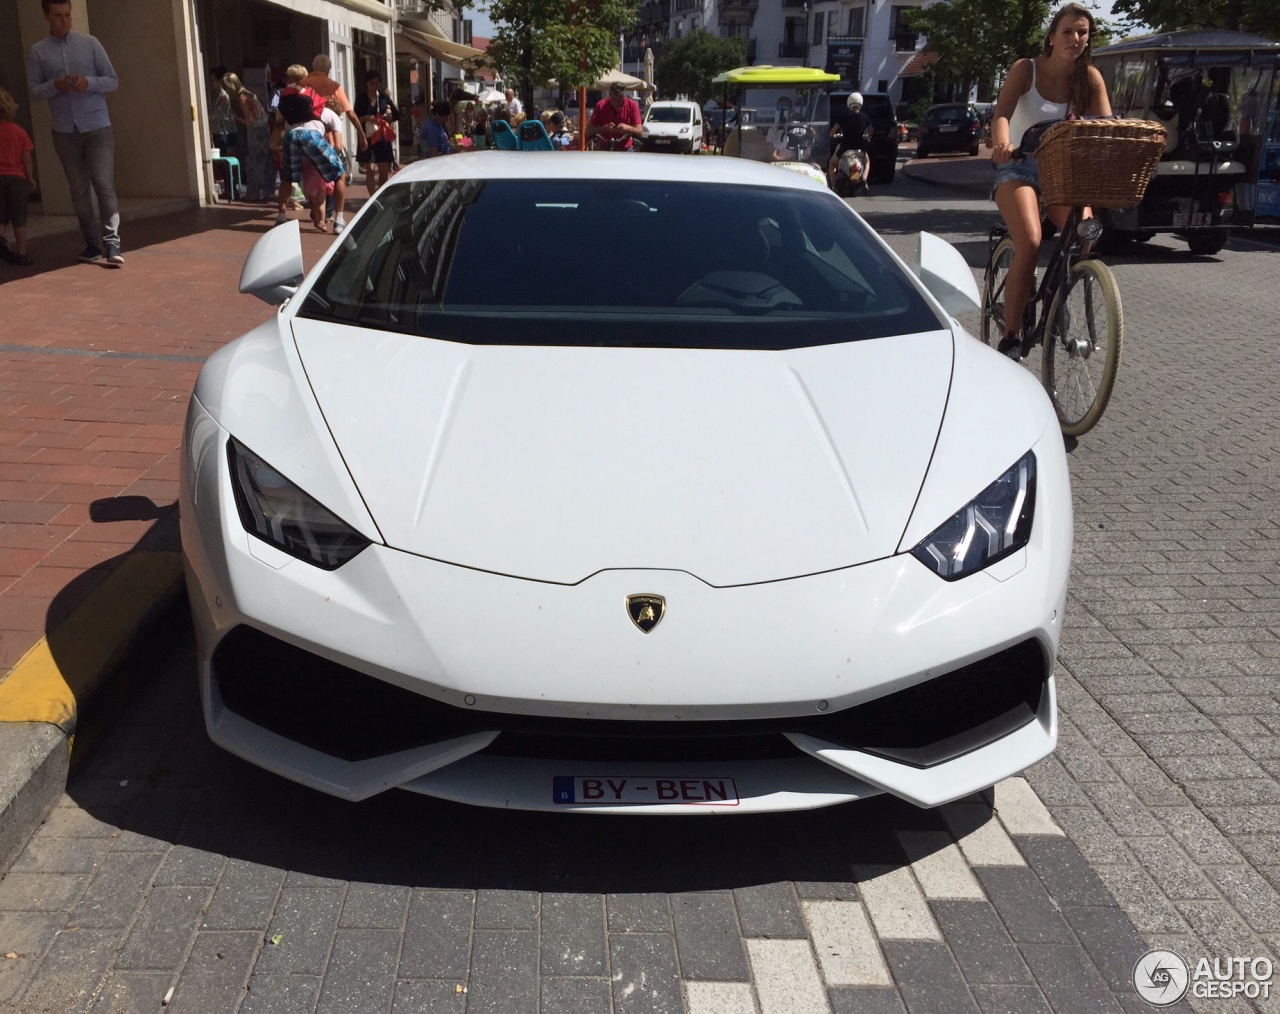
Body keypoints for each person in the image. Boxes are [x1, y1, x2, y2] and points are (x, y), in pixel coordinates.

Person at [989, 2, 1111, 360]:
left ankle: (1056, 300)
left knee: (1087, 232)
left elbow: (1106, 125)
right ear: (1052, 37)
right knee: (1030, 239)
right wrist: (1001, 143)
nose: (1076, 38)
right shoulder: (1026, 69)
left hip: (1061, 172)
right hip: (1018, 166)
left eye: (1083, 32)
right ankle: (1011, 335)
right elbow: (1002, 114)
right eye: (1069, 32)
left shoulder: (1089, 78)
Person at [26, 0, 122, 266]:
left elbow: (113, 80)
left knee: (103, 184)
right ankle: (92, 244)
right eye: (57, 16)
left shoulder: (90, 43)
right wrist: (54, 85)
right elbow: (33, 90)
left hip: (97, 126)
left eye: (67, 15)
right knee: (79, 189)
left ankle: (112, 244)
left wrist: (87, 83)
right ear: (47, 16)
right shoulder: (38, 52)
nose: (64, 20)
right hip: (65, 130)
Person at [278, 92, 347, 234]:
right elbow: (338, 146)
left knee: (286, 177)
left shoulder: (302, 111)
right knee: (340, 174)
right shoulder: (332, 115)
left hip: (290, 136)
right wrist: (329, 160)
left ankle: (281, 216)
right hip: (311, 136)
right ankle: (339, 220)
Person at [301, 55, 368, 160]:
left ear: (314, 67)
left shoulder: (302, 84)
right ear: (329, 69)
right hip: (328, 137)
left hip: (304, 133)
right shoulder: (333, 86)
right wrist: (361, 134)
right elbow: (350, 113)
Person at [223, 72, 273, 202]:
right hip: (265, 127)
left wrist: (235, 116)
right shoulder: (251, 94)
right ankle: (265, 191)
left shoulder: (242, 98)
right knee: (264, 160)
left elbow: (249, 121)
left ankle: (254, 193)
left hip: (256, 130)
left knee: (253, 161)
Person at [0, 89, 36, 267]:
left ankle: (1, 244)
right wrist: (30, 178)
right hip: (16, 177)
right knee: (19, 217)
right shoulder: (19, 131)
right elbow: (26, 159)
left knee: (1, 216)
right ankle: (22, 253)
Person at [355, 70, 398, 196]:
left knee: (384, 170)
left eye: (377, 84)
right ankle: (372, 198)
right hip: (368, 135)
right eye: (372, 83)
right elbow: (356, 117)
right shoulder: (361, 98)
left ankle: (381, 196)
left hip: (382, 136)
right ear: (366, 84)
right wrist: (368, 118)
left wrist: (389, 117)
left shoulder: (384, 97)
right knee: (370, 168)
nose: (375, 86)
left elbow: (396, 114)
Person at [830, 92, 873, 184]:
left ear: (849, 103)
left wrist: (833, 135)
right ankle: (864, 179)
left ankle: (833, 185)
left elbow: (833, 131)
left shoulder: (844, 116)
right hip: (859, 148)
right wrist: (867, 136)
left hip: (845, 148)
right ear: (860, 103)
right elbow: (871, 130)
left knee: (832, 165)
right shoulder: (865, 117)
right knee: (867, 162)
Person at [588, 82, 642, 151]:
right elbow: (589, 130)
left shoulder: (632, 105)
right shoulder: (600, 105)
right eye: (614, 100)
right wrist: (605, 128)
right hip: (604, 147)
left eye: (620, 100)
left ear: (624, 96)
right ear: (610, 96)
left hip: (626, 148)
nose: (617, 103)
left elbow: (640, 131)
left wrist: (627, 128)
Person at [208, 65, 237, 156]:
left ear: (219, 81)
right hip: (219, 133)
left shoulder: (224, 97)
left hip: (224, 135)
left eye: (213, 80)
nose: (211, 83)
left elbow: (214, 115)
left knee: (224, 161)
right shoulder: (217, 96)